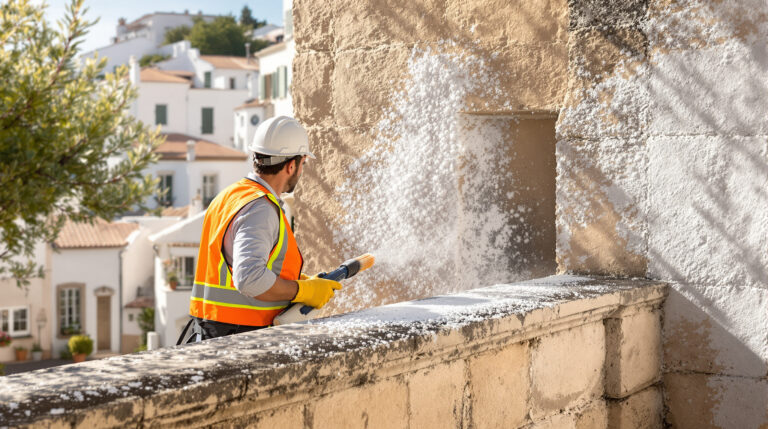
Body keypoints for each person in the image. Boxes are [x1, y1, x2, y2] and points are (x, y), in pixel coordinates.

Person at [178, 116, 342, 344]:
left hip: (212, 332)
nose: (302, 170)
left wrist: (300, 281)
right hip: (239, 338)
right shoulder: (261, 209)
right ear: (291, 165)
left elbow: (233, 263)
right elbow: (250, 279)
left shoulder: (229, 196)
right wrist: (302, 291)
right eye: (303, 163)